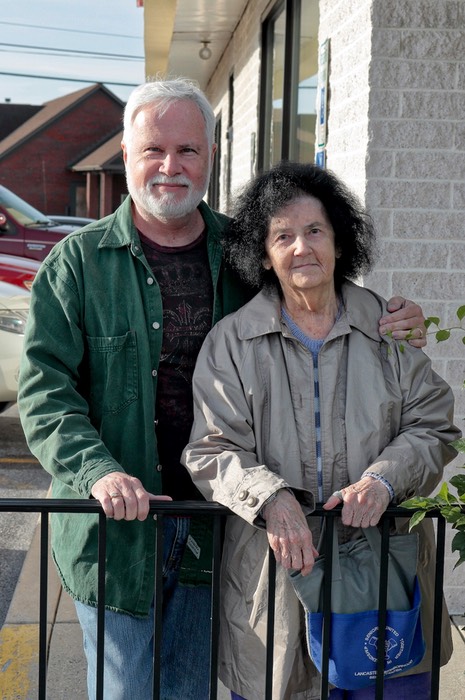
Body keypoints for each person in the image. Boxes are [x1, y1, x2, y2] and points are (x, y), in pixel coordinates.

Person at [18, 77, 428, 700]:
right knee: (127, 691)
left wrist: (391, 317)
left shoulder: (247, 252)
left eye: (188, 151)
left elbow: (319, 302)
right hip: (119, 536)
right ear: (125, 154)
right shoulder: (77, 264)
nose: (170, 167)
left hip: (223, 532)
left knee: (191, 691)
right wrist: (96, 470)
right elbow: (46, 392)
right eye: (154, 149)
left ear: (211, 156)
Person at [182, 161, 460, 700]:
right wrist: (271, 498)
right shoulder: (232, 342)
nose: (301, 248)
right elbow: (211, 447)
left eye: (315, 231)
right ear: (264, 254)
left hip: (382, 573)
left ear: (339, 241)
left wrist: (383, 481)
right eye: (282, 236)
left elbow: (433, 424)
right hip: (278, 578)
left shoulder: (386, 327)